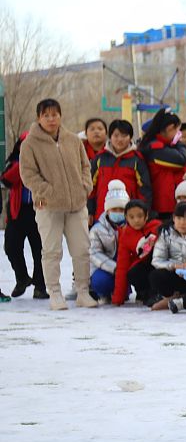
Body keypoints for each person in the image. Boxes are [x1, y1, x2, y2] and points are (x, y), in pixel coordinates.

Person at [19, 99, 98, 310]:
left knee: (82, 250)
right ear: (39, 118)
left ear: (60, 116)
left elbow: (85, 165)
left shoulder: (73, 139)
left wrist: (85, 186)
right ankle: (54, 292)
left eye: (55, 115)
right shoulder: (30, 144)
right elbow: (27, 174)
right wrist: (47, 191)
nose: (51, 119)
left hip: (76, 205)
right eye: (46, 115)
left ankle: (83, 291)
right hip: (48, 206)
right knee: (52, 251)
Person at [2, 132, 48, 299]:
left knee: (40, 250)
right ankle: (22, 278)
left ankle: (40, 286)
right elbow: (6, 181)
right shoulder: (14, 162)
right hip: (18, 211)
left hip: (41, 210)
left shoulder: (48, 162)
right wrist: (24, 162)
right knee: (11, 247)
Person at [149, 202, 186, 309]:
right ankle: (172, 297)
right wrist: (175, 266)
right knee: (155, 276)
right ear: (173, 218)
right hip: (176, 273)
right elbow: (157, 260)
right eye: (179, 218)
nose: (182, 222)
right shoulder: (165, 232)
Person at [90, 119, 151, 222]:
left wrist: (143, 212)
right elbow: (91, 187)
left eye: (124, 136)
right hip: (101, 215)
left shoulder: (137, 160)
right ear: (110, 136)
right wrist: (90, 211)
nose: (120, 139)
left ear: (130, 137)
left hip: (129, 217)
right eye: (116, 135)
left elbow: (144, 190)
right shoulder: (100, 158)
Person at [139, 109, 186, 220]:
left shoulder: (167, 146)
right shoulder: (155, 148)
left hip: (173, 204)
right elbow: (180, 160)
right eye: (177, 130)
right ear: (169, 128)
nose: (179, 134)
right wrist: (180, 145)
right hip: (163, 207)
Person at [112, 199, 161, 307]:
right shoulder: (125, 236)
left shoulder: (157, 227)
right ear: (126, 218)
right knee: (132, 273)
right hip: (142, 267)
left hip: (159, 265)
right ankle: (146, 294)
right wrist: (118, 297)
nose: (136, 220)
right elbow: (122, 266)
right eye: (132, 217)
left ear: (146, 216)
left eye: (139, 216)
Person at [88, 182, 128, 302]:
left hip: (125, 266)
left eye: (121, 209)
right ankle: (103, 292)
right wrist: (115, 268)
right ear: (107, 210)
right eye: (114, 209)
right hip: (106, 267)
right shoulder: (97, 229)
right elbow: (94, 253)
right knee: (100, 281)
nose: (118, 212)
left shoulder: (131, 227)